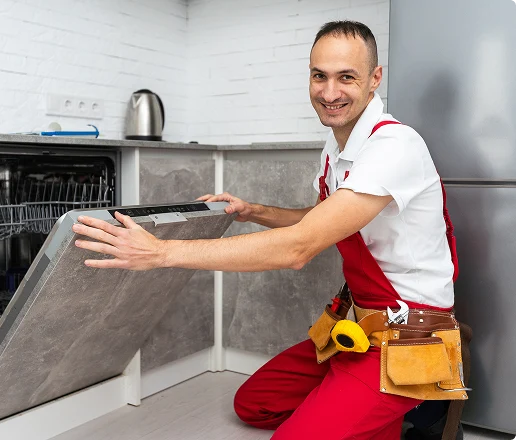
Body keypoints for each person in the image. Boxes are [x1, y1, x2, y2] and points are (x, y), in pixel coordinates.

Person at [72, 21, 468, 440]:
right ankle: (369, 406)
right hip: (357, 329)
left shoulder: (394, 147)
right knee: (254, 404)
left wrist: (161, 253)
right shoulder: (337, 148)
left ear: (375, 79)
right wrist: (253, 210)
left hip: (406, 340)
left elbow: (299, 247)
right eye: (320, 76)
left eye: (346, 77)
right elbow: (321, 220)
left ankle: (420, 407)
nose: (329, 92)